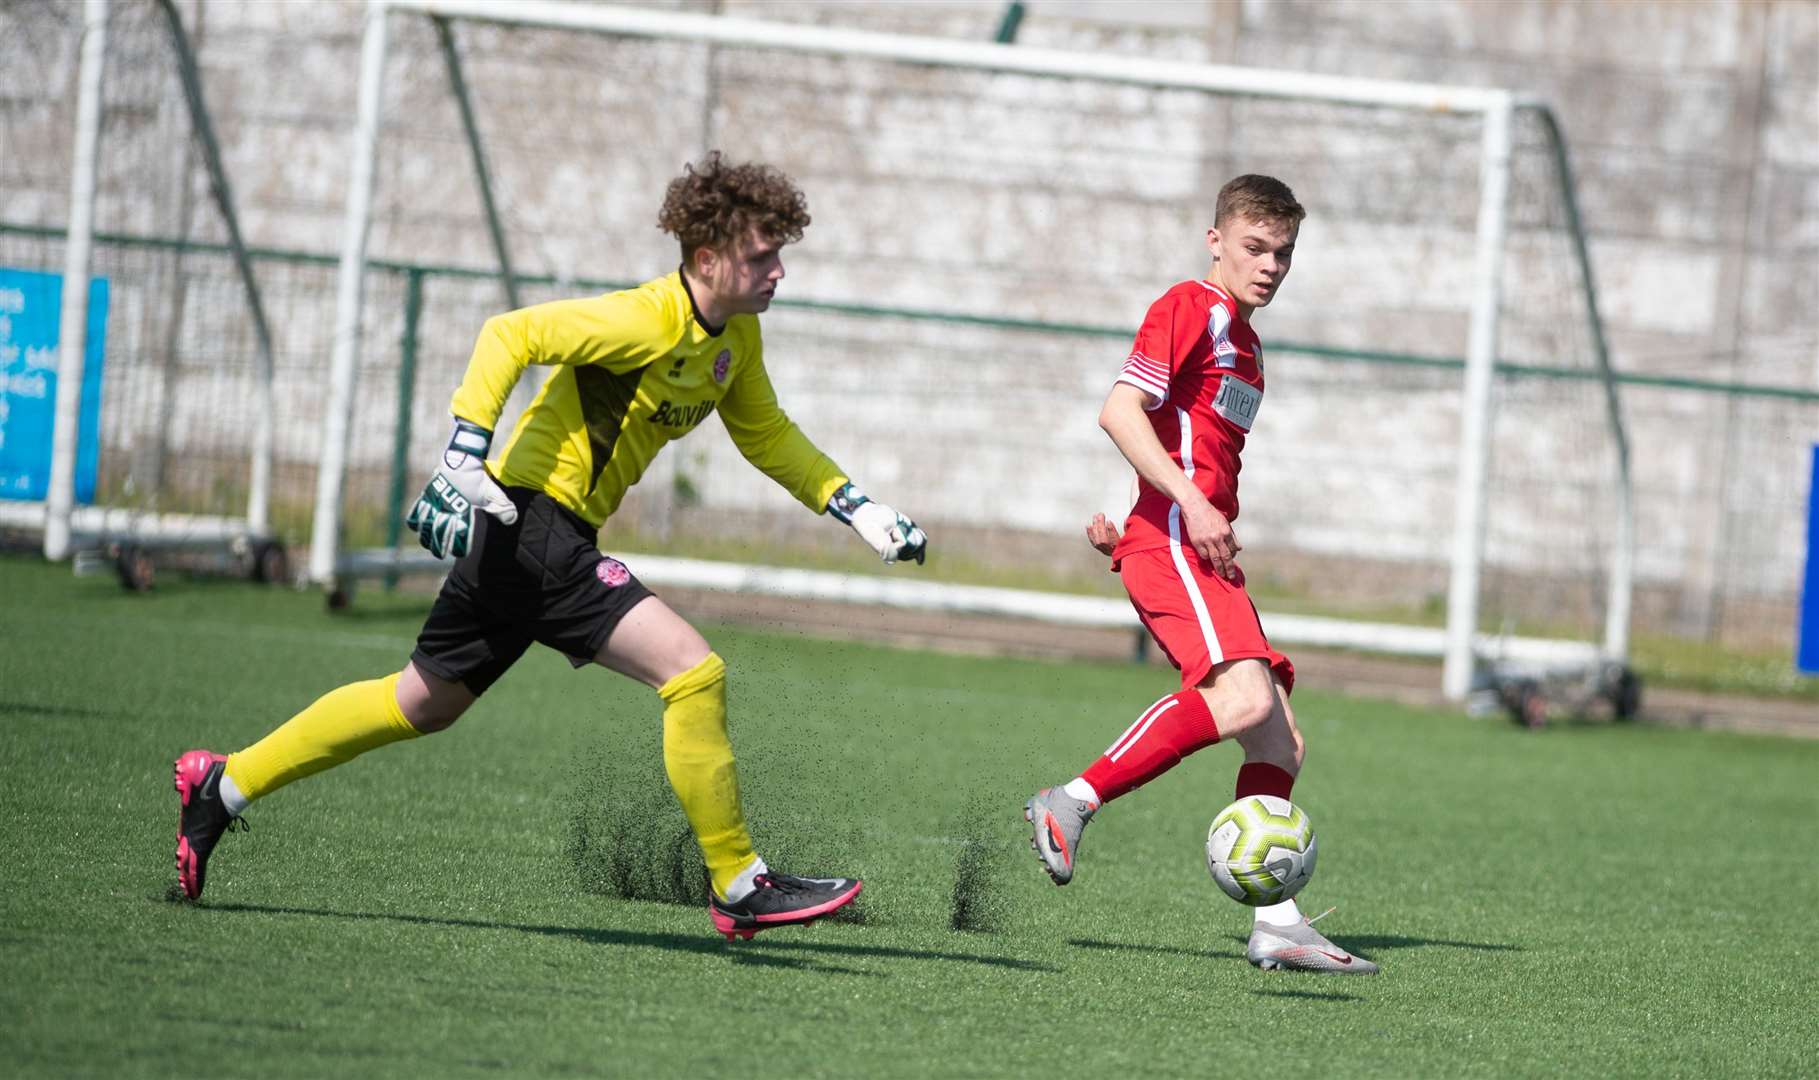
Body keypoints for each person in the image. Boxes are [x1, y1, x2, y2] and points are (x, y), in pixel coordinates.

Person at [173, 152, 928, 940]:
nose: (777, 271)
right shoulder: (645, 319)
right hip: (535, 525)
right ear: (707, 259)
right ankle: (740, 884)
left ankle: (222, 786)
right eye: (760, 256)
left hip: (528, 535)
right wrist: (467, 444)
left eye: (780, 254)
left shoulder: (734, 338)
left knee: (418, 702)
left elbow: (766, 433)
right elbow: (513, 332)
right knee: (692, 672)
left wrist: (854, 505)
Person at [1023, 175, 1376, 974]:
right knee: (1246, 698)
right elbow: (1120, 410)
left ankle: (1278, 925)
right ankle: (1070, 800)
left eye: (1282, 253)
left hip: (1190, 541)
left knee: (1279, 742)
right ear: (1214, 240)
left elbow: (1184, 441)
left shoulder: (1244, 342)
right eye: (1254, 247)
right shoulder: (1189, 304)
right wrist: (1175, 510)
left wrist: (1144, 511)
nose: (1270, 265)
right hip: (1181, 541)